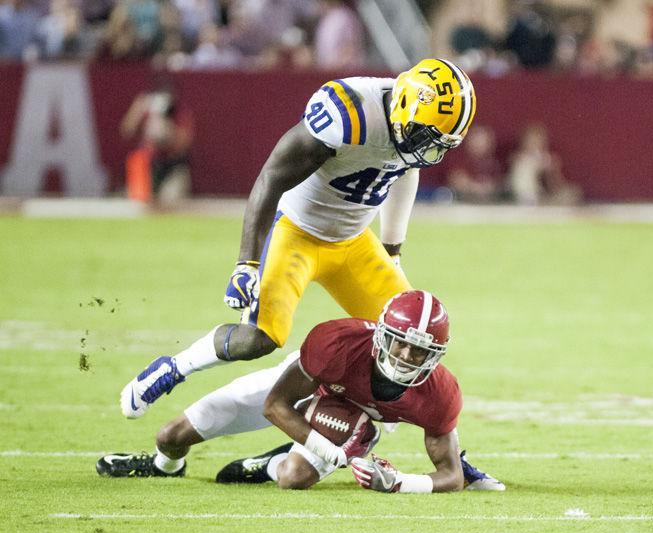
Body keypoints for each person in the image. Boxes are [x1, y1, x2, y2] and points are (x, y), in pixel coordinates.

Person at [119, 58, 477, 422]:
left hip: (353, 241)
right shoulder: (351, 113)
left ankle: (450, 456)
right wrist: (247, 263)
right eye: (424, 136)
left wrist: (392, 250)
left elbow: (404, 169)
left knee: (412, 343)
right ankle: (175, 367)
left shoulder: (410, 127)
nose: (426, 148)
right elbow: (271, 178)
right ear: (403, 106)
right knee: (259, 338)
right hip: (298, 233)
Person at [98, 290, 504, 493]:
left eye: (420, 350)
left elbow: (451, 474)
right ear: (382, 333)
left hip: (350, 420)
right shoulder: (337, 343)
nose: (405, 354)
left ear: (437, 355)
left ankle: (269, 465)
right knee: (170, 438)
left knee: (293, 478)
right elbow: (276, 404)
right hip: (305, 391)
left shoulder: (439, 392)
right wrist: (335, 455)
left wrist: (399, 483)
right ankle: (164, 467)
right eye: (400, 341)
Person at [120, 80, 194, 208]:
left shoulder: (180, 113)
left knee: (171, 201)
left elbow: (183, 144)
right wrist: (138, 109)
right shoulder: (146, 110)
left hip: (173, 165)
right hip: (150, 164)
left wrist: (167, 128)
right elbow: (126, 130)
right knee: (138, 204)